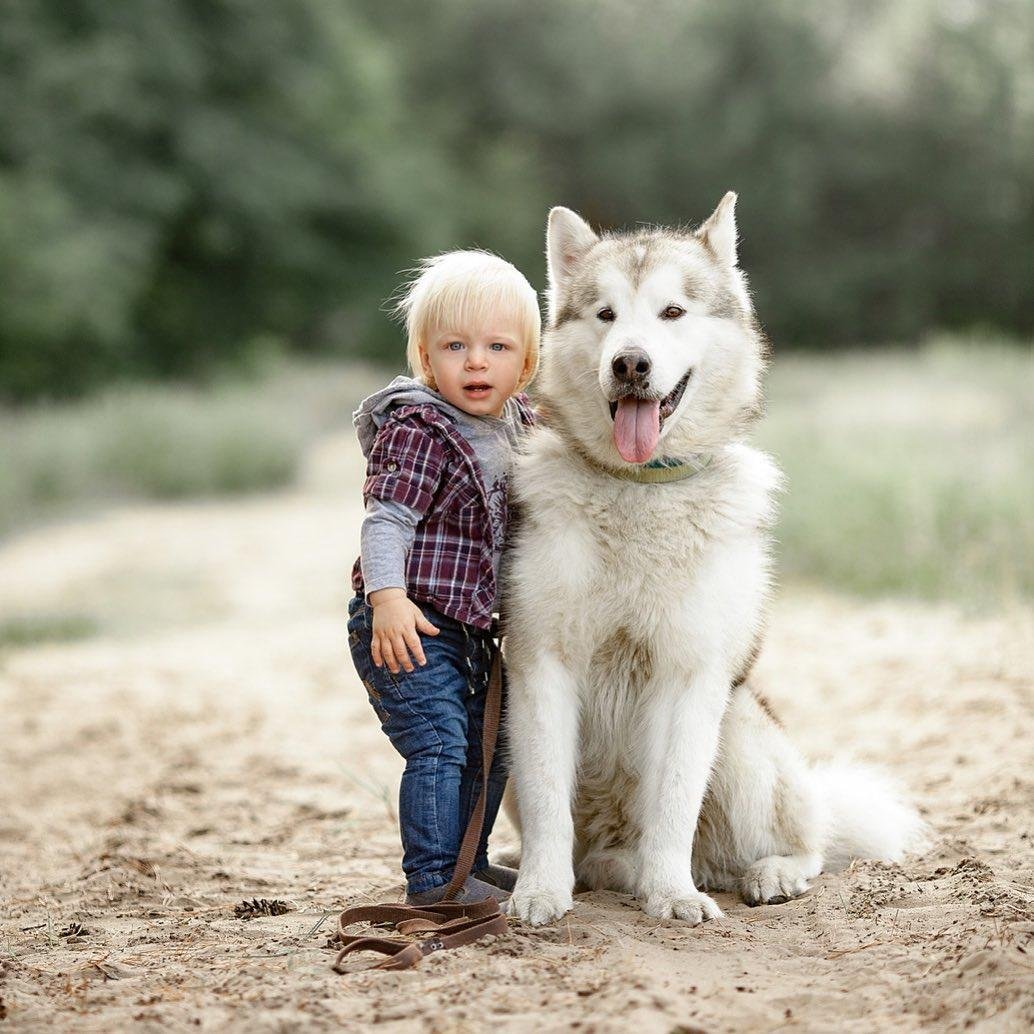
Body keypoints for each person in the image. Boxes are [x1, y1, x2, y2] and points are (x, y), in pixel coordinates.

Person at [347, 249, 540, 905]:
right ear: (426, 359)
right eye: (455, 346)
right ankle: (432, 878)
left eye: (497, 346)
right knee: (439, 743)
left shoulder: (525, 430)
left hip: (475, 633)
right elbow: (385, 521)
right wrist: (388, 599)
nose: (476, 361)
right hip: (411, 622)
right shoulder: (420, 426)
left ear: (527, 364)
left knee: (497, 743)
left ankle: (470, 862)